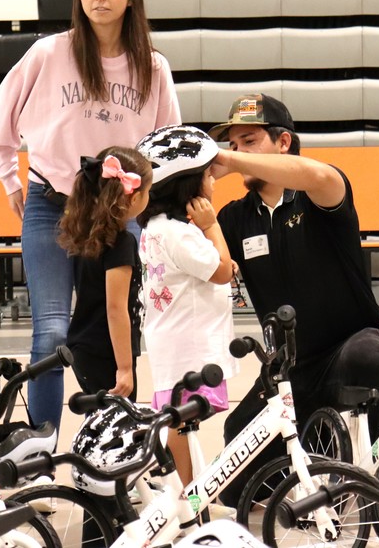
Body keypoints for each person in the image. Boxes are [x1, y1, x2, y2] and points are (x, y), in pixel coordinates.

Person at [0, 0, 181, 433]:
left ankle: (110, 447)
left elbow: (167, 145)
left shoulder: (152, 67)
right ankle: (40, 456)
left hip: (116, 216)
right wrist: (9, 177)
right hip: (50, 206)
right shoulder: (51, 53)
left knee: (109, 334)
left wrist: (155, 211)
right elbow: (0, 115)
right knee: (51, 332)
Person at [207, 94, 379, 506]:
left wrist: (234, 163)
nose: (237, 153)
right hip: (290, 370)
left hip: (347, 345)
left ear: (283, 143)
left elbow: (315, 175)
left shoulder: (321, 193)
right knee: (234, 479)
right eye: (233, 145)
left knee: (366, 356)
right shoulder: (233, 218)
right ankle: (321, 459)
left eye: (249, 141)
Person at [136, 124, 239, 486]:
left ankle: (187, 488)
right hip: (189, 345)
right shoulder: (182, 233)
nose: (213, 181)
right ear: (187, 184)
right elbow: (223, 271)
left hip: (173, 340)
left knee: (181, 419)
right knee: (183, 420)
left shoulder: (156, 227)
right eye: (208, 175)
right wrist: (212, 226)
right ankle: (184, 491)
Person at [58, 148, 152, 400]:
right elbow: (115, 308)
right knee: (119, 430)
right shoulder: (120, 242)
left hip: (86, 348)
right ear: (133, 198)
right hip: (105, 353)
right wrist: (124, 368)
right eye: (148, 192)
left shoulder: (88, 234)